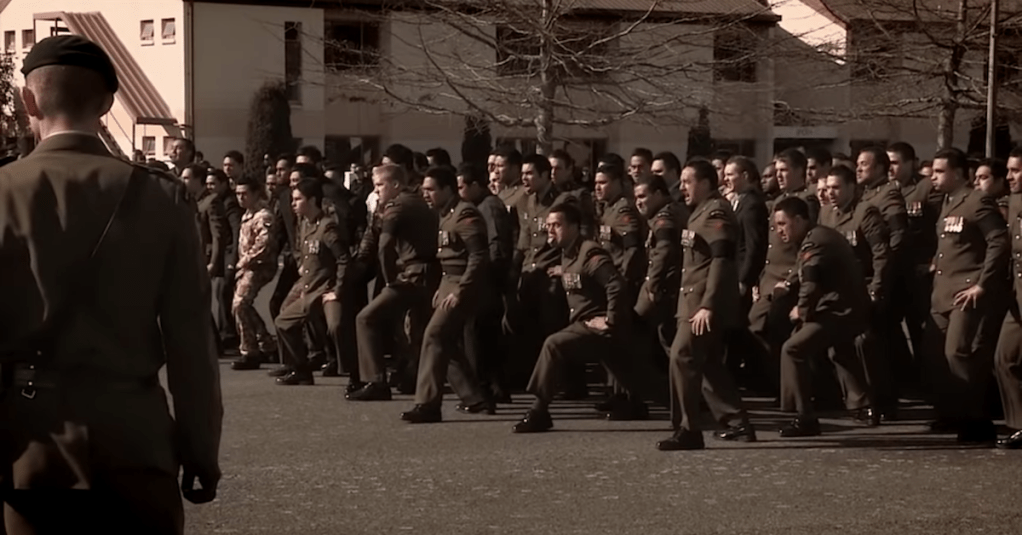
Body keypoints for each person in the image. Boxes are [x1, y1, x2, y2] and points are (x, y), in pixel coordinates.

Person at [0, 35, 220, 533]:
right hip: (134, 437)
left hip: (30, 443)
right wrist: (201, 448)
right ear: (105, 104)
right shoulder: (163, 197)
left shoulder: (4, 192)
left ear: (29, 100)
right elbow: (191, 342)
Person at [511, 203, 669, 433]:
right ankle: (689, 408)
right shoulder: (568, 253)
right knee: (642, 381)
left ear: (574, 227)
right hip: (586, 324)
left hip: (599, 326)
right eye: (548, 225)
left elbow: (615, 284)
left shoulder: (590, 252)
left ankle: (539, 411)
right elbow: (581, 278)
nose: (550, 230)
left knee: (554, 345)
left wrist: (611, 321)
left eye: (557, 225)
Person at [657, 160, 753, 451]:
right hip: (691, 301)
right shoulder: (699, 211)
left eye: (688, 181)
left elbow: (721, 260)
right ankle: (737, 422)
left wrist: (708, 305)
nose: (682, 188)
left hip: (702, 304)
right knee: (708, 363)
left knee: (682, 356)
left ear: (706, 183)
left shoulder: (715, 212)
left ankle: (688, 429)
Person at [925, 148, 1009, 443]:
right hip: (942, 292)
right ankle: (952, 413)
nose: (933, 177)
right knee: (935, 355)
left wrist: (982, 284)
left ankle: (977, 420)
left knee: (957, 354)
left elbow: (998, 242)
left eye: (940, 171)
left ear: (959, 173)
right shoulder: (947, 202)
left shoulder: (977, 201)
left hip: (966, 291)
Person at [772, 197, 874, 437]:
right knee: (839, 351)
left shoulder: (814, 242)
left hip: (841, 311)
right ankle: (864, 406)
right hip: (845, 307)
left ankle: (804, 417)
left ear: (799, 220)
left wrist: (802, 311)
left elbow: (810, 282)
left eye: (783, 224)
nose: (779, 230)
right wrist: (788, 285)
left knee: (793, 349)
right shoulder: (818, 236)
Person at [401, 166, 493, 422]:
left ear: (448, 189)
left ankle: (427, 404)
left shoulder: (465, 214)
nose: (425, 194)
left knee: (434, 335)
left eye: (431, 189)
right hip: (448, 284)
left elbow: (478, 256)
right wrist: (442, 289)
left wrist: (461, 291)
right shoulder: (444, 215)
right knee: (445, 341)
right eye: (424, 189)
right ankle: (475, 398)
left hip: (465, 285)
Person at [273, 179, 352, 386]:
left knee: (336, 327)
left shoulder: (327, 227)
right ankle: (301, 369)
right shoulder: (305, 225)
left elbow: (344, 259)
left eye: (298, 199)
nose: (293, 204)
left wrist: (338, 290)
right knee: (283, 322)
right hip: (310, 290)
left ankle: (356, 374)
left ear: (312, 200)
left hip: (326, 291)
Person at [229, 177, 279, 370]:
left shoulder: (263, 215)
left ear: (256, 194)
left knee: (240, 304)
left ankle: (250, 351)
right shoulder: (248, 214)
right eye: (238, 194)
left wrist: (245, 261)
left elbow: (264, 244)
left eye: (245, 194)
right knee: (243, 306)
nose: (240, 198)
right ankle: (266, 343)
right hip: (248, 267)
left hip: (259, 266)